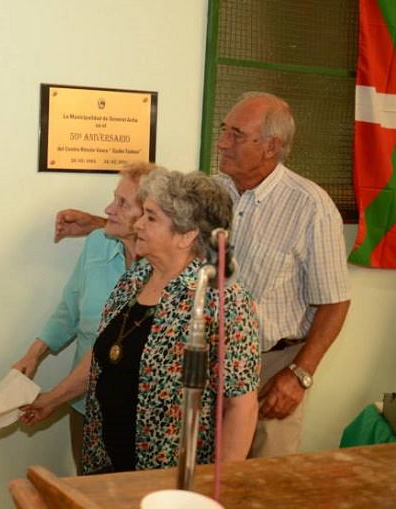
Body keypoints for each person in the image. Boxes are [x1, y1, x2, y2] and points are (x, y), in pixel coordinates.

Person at [55, 93, 352, 458]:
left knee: (259, 485)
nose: (223, 142)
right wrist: (103, 224)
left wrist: (300, 375)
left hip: (273, 367)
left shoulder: (311, 207)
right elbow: (173, 235)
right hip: (199, 368)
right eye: (225, 130)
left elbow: (335, 301)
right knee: (196, 476)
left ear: (271, 146)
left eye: (237, 134)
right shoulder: (211, 189)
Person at [20, 168, 260, 474]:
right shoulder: (132, 281)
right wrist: (53, 399)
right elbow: (104, 355)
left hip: (169, 478)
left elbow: (241, 405)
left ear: (186, 236)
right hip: (106, 464)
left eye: (151, 217)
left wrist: (219, 485)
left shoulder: (223, 302)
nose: (139, 224)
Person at [11, 161, 153, 472]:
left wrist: (52, 398)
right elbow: (69, 309)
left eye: (122, 203)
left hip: (140, 412)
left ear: (149, 215)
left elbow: (112, 349)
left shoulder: (164, 271)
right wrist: (33, 355)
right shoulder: (97, 243)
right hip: (84, 403)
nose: (108, 209)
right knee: (89, 491)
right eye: (114, 198)